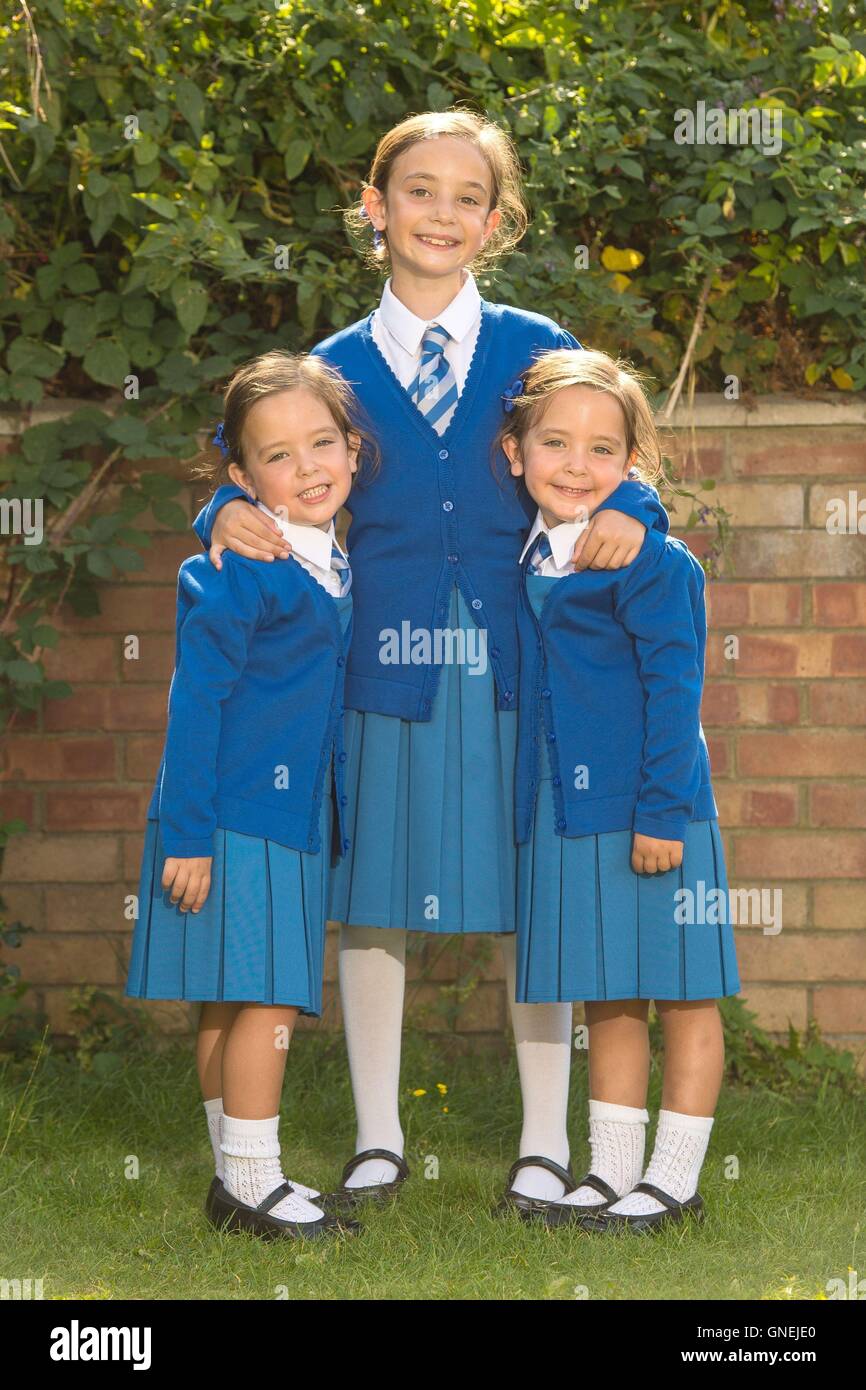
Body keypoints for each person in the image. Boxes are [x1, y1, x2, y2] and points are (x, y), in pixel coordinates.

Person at [189, 109, 668, 1217]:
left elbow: (606, 442)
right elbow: (262, 453)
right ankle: (375, 1138)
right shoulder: (334, 367)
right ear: (374, 207)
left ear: (492, 223)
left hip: (520, 665)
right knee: (372, 898)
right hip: (379, 667)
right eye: (418, 191)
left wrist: (636, 509)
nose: (439, 214)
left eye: (465, 197)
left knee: (531, 890)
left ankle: (545, 1143)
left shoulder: (535, 345)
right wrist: (222, 506)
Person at [125, 350, 374, 1240]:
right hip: (232, 817)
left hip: (289, 816)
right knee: (265, 995)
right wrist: (187, 833)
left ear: (352, 448)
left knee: (231, 997)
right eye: (277, 456)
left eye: (322, 444)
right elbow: (195, 701)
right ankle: (252, 1183)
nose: (307, 468)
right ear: (240, 476)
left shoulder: (329, 557)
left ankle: (236, 1179)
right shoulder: (236, 568)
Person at [499, 347, 740, 1233]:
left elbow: (677, 693)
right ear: (515, 454)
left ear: (631, 464)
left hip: (656, 812)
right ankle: (610, 1172)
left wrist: (662, 812)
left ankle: (674, 1179)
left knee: (681, 989)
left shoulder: (654, 561)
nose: (577, 465)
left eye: (603, 451)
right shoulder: (529, 555)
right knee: (606, 992)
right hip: (568, 814)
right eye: (555, 443)